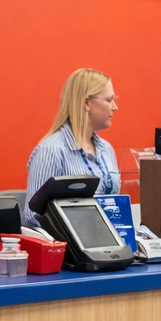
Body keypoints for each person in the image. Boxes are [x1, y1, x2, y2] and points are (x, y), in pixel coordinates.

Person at [24, 68, 120, 226]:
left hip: (110, 241)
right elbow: (34, 214)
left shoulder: (106, 149)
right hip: (71, 246)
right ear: (87, 103)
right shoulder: (51, 150)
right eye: (109, 100)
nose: (115, 107)